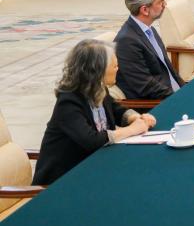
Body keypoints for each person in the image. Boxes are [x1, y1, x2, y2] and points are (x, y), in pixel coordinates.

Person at [33, 40, 155, 185]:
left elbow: (115, 109)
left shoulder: (97, 89)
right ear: (98, 70)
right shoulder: (68, 102)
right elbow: (91, 141)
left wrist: (135, 118)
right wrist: (132, 130)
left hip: (92, 167)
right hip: (62, 181)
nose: (118, 69)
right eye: (114, 66)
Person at [113, 0, 184, 101]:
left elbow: (168, 70)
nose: (165, 4)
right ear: (145, 10)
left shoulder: (150, 30)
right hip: (160, 104)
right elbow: (146, 86)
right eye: (161, 1)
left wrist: (186, 90)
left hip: (173, 94)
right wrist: (179, 98)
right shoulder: (126, 42)